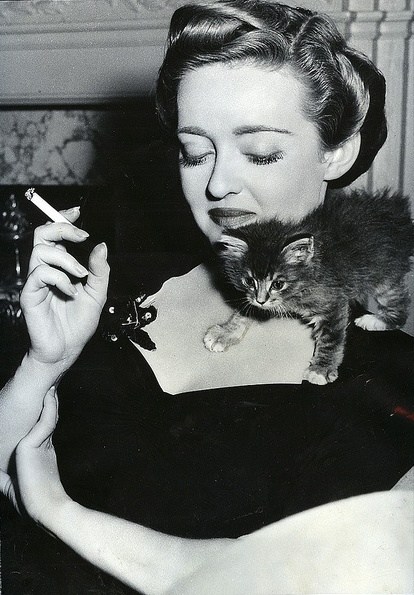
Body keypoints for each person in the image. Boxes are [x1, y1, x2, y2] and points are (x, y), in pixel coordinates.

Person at [0, 1, 413, 593]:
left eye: (260, 152)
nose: (217, 183)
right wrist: (44, 364)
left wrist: (58, 512)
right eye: (195, 152)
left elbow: (281, 581)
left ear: (336, 151)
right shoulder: (118, 289)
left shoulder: (391, 374)